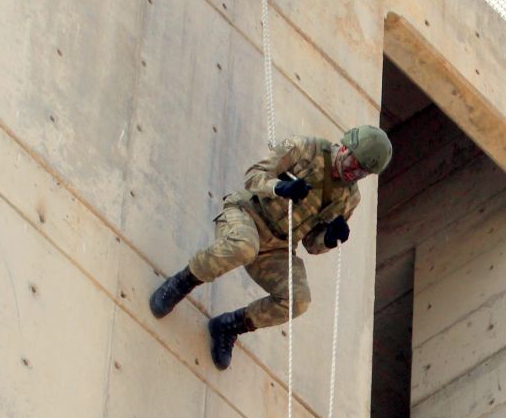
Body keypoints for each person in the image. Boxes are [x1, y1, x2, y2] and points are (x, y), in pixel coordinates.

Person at [149, 125, 393, 369]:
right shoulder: (305, 149)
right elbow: (254, 176)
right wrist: (280, 187)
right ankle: (181, 283)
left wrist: (329, 239)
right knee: (244, 246)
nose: (354, 173)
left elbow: (312, 244)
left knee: (298, 300)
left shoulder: (349, 198)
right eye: (355, 163)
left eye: (363, 172)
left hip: (279, 246)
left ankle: (229, 326)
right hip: (248, 214)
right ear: (347, 147)